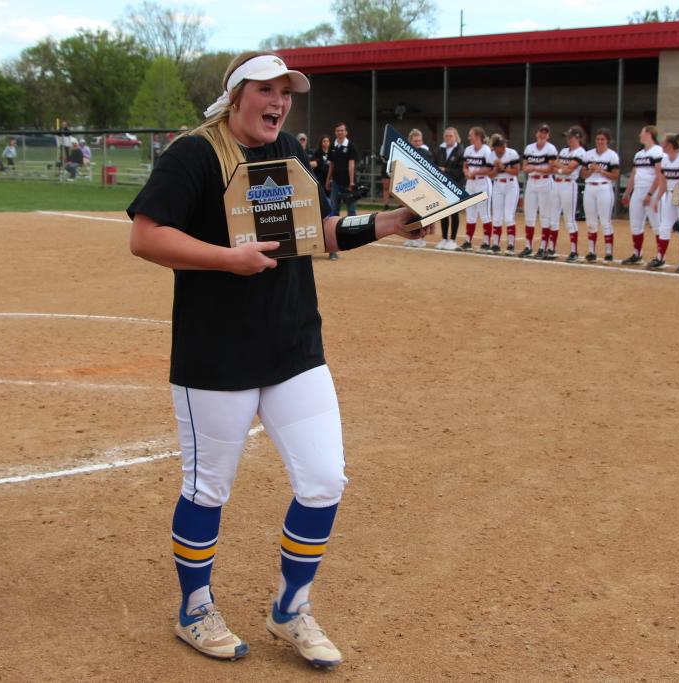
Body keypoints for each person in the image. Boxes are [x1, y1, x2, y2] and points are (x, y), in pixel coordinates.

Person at [127, 50, 429, 670]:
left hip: (293, 345)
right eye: (266, 90)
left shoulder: (287, 147)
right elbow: (146, 236)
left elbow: (314, 230)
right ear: (236, 95)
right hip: (217, 353)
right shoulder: (194, 154)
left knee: (323, 482)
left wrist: (389, 222)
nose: (280, 101)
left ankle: (291, 608)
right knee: (207, 489)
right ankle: (195, 609)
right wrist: (225, 258)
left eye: (286, 92)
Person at [651, 133, 679, 272]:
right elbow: (664, 182)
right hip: (671, 192)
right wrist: (657, 198)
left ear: (669, 145)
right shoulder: (665, 161)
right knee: (665, 226)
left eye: (664, 143)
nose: (662, 146)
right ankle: (660, 257)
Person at [620, 125, 664, 265]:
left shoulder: (658, 151)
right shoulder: (639, 154)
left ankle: (660, 257)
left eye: (642, 132)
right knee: (635, 224)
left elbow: (659, 175)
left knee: (656, 225)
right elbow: (634, 175)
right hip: (638, 190)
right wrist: (627, 192)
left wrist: (650, 194)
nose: (640, 135)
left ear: (649, 134)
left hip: (651, 190)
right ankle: (637, 254)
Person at [580, 128, 620, 262]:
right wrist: (591, 171)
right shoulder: (588, 154)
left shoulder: (612, 155)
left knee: (605, 221)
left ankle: (609, 252)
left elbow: (615, 175)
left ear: (607, 140)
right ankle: (592, 251)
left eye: (603, 139)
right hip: (590, 187)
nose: (600, 142)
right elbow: (583, 174)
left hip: (604, 187)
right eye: (598, 139)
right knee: (591, 221)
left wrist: (601, 171)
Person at [520, 123, 558, 258]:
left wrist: (535, 168)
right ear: (537, 133)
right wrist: (536, 168)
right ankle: (528, 246)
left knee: (545, 216)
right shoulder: (529, 148)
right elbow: (524, 167)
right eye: (541, 132)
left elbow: (552, 168)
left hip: (545, 182)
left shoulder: (551, 148)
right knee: (529, 215)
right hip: (532, 182)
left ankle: (543, 247)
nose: (542, 135)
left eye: (545, 133)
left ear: (548, 136)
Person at [325, 122, 358, 260]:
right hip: (336, 183)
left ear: (346, 132)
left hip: (348, 183)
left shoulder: (350, 146)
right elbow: (331, 164)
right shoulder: (333, 146)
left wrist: (352, 182)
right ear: (335, 132)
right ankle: (336, 234)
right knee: (333, 210)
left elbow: (352, 164)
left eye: (342, 130)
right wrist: (328, 179)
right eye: (338, 130)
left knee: (351, 209)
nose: (340, 132)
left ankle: (355, 234)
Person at [553, 127, 586, 262]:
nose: (568, 139)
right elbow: (554, 164)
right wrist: (561, 168)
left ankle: (573, 251)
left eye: (570, 137)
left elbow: (568, 170)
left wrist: (559, 167)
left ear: (577, 137)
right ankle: (551, 248)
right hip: (557, 183)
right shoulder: (564, 151)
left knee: (569, 219)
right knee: (553, 217)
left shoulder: (580, 152)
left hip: (569, 184)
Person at [459, 126, 494, 252]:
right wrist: (466, 172)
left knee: (484, 214)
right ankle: (468, 241)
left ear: (478, 136)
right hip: (470, 184)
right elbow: (465, 166)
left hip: (482, 183)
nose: (469, 137)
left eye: (471, 135)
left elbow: (489, 168)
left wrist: (475, 173)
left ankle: (486, 243)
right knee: (470, 214)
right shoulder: (468, 150)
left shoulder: (486, 150)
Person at [488, 134, 521, 255]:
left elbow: (516, 171)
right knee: (496, 217)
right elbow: (490, 175)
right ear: (495, 147)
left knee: (508, 216)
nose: (503, 147)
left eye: (504, 144)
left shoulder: (512, 153)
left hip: (511, 185)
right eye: (500, 145)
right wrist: (496, 169)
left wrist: (503, 167)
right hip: (497, 185)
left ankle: (511, 245)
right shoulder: (491, 156)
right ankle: (496, 244)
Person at [434, 127, 464, 250]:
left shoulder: (460, 150)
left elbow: (461, 170)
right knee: (444, 212)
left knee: (454, 212)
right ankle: (444, 238)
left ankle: (452, 239)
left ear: (455, 137)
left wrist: (446, 170)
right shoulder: (440, 150)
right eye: (446, 136)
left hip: (455, 184)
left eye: (450, 136)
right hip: (442, 185)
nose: (448, 138)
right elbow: (434, 164)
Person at [404, 129, 434, 248]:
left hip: (422, 187)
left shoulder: (427, 153)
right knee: (410, 214)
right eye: (415, 141)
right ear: (410, 141)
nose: (418, 143)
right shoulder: (405, 153)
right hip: (409, 187)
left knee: (422, 213)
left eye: (419, 141)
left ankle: (421, 237)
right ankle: (411, 237)